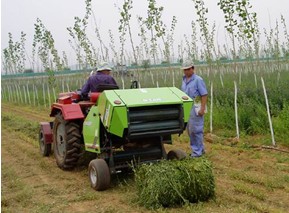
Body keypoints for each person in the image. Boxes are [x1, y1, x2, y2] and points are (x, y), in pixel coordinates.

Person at [181, 60, 208, 157]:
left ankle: (197, 153)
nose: (186, 71)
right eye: (185, 70)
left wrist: (202, 108)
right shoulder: (184, 80)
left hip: (196, 106)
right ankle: (200, 149)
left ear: (193, 68)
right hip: (187, 107)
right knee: (190, 130)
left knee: (196, 130)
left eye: (188, 69)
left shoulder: (198, 80)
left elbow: (204, 94)